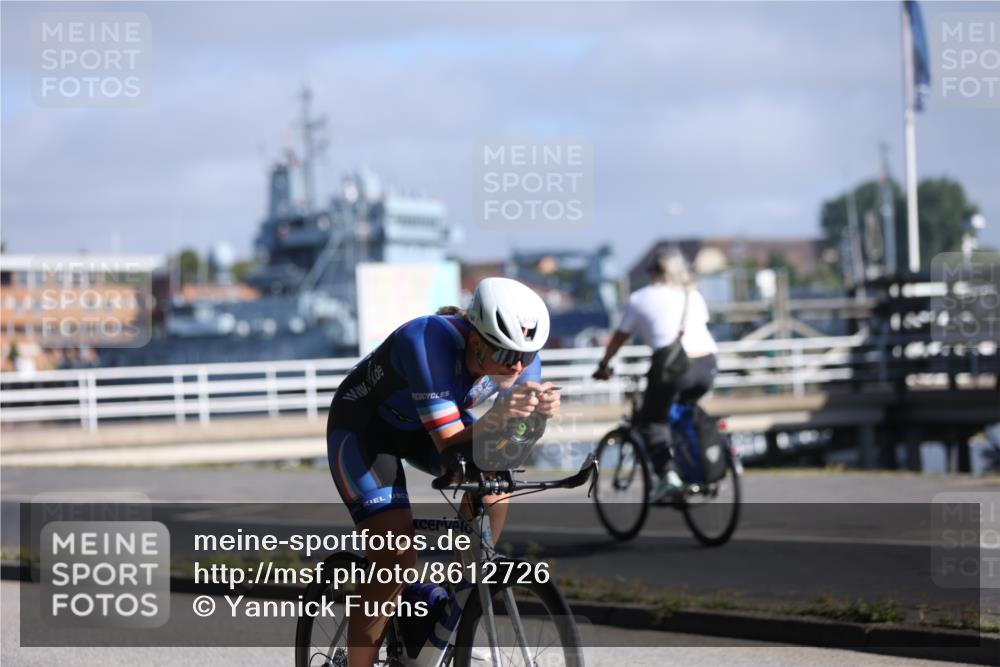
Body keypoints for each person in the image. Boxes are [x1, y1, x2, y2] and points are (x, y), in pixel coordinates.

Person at [326, 277, 561, 667]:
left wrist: (532, 420)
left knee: (493, 490)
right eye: (506, 355)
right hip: (366, 431)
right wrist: (501, 415)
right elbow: (450, 444)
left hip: (427, 429)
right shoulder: (426, 339)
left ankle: (452, 604)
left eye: (528, 353)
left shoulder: (521, 355)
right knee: (395, 558)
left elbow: (507, 449)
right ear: (475, 341)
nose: (519, 365)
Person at [593, 249, 718, 501]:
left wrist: (604, 364)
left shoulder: (641, 298)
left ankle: (669, 478)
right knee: (682, 410)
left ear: (655, 272)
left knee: (652, 423)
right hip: (707, 364)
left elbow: (620, 337)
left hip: (672, 368)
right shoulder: (692, 293)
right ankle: (696, 466)